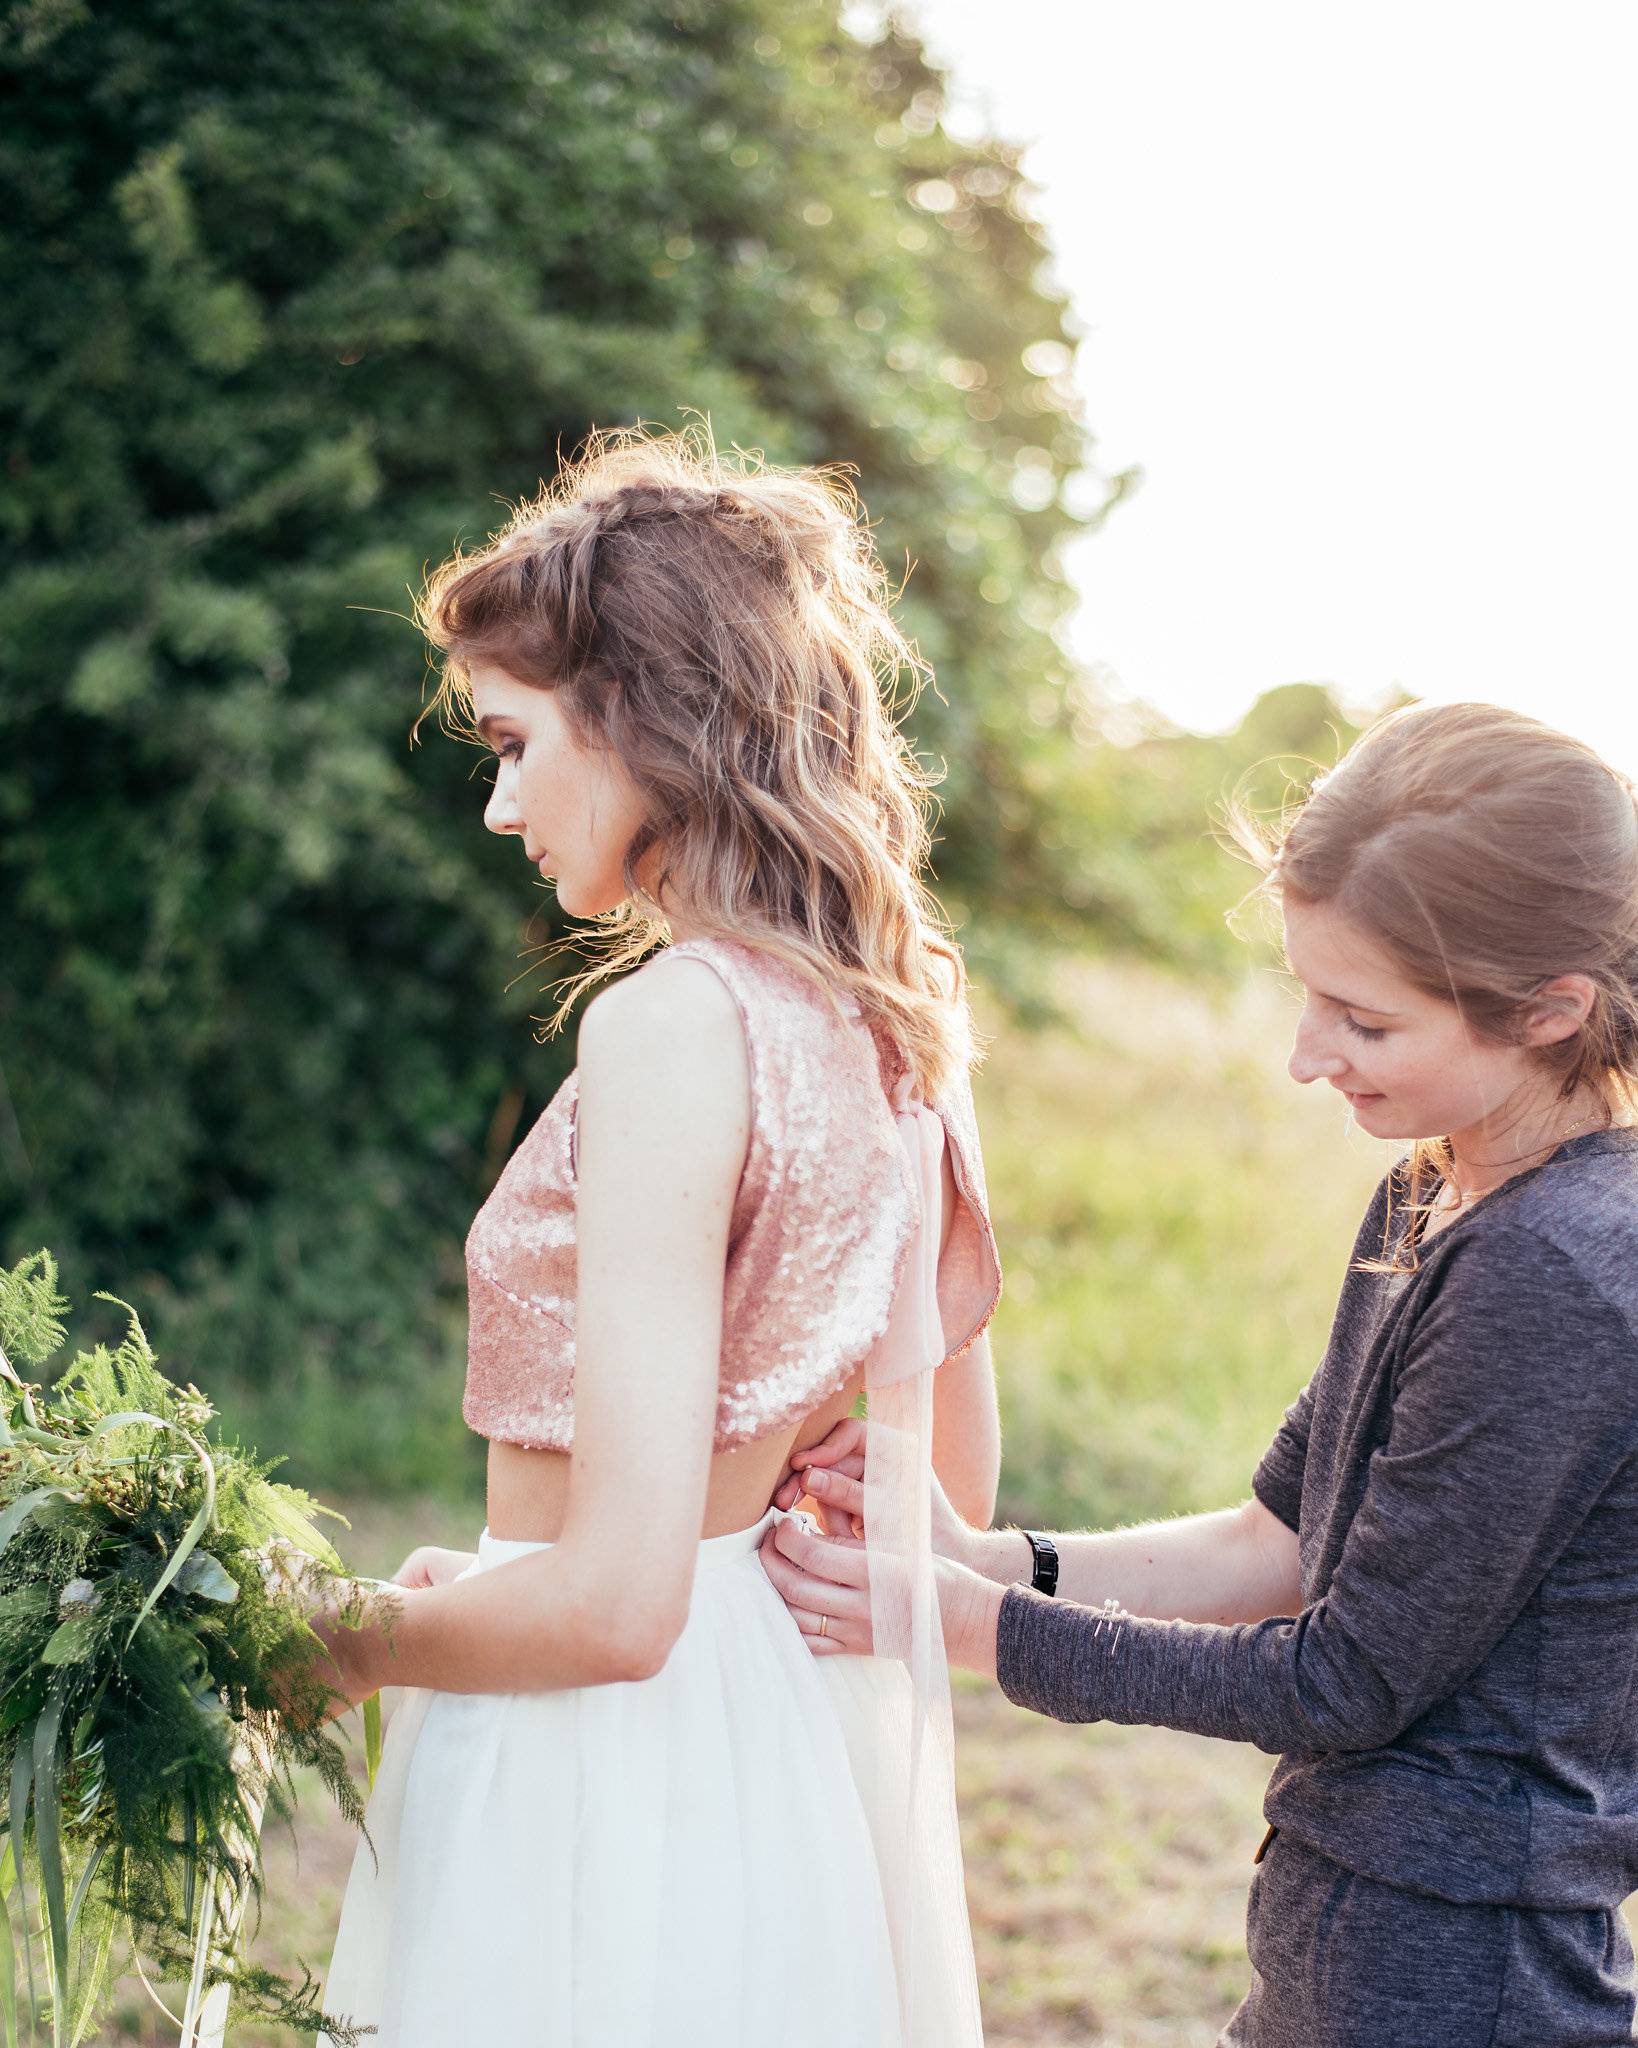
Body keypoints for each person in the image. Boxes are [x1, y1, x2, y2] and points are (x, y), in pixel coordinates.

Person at [764, 700, 1638, 2048]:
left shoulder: (1559, 1273)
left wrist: (958, 1626)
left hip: (1458, 1976)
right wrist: (984, 1560)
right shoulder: (1429, 1195)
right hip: (1347, 1931)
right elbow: (1275, 1545)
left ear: (1549, 1009)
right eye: (1305, 996)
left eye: (1362, 1020)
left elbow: (1340, 1680)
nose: (1303, 1057)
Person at [298, 426, 1003, 2047]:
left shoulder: (677, 1023)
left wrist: (330, 1639)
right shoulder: (905, 1017)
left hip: (597, 1748)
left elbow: (615, 1605)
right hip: (767, 1732)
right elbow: (939, 1500)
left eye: (511, 743)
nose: (497, 806)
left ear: (639, 716)